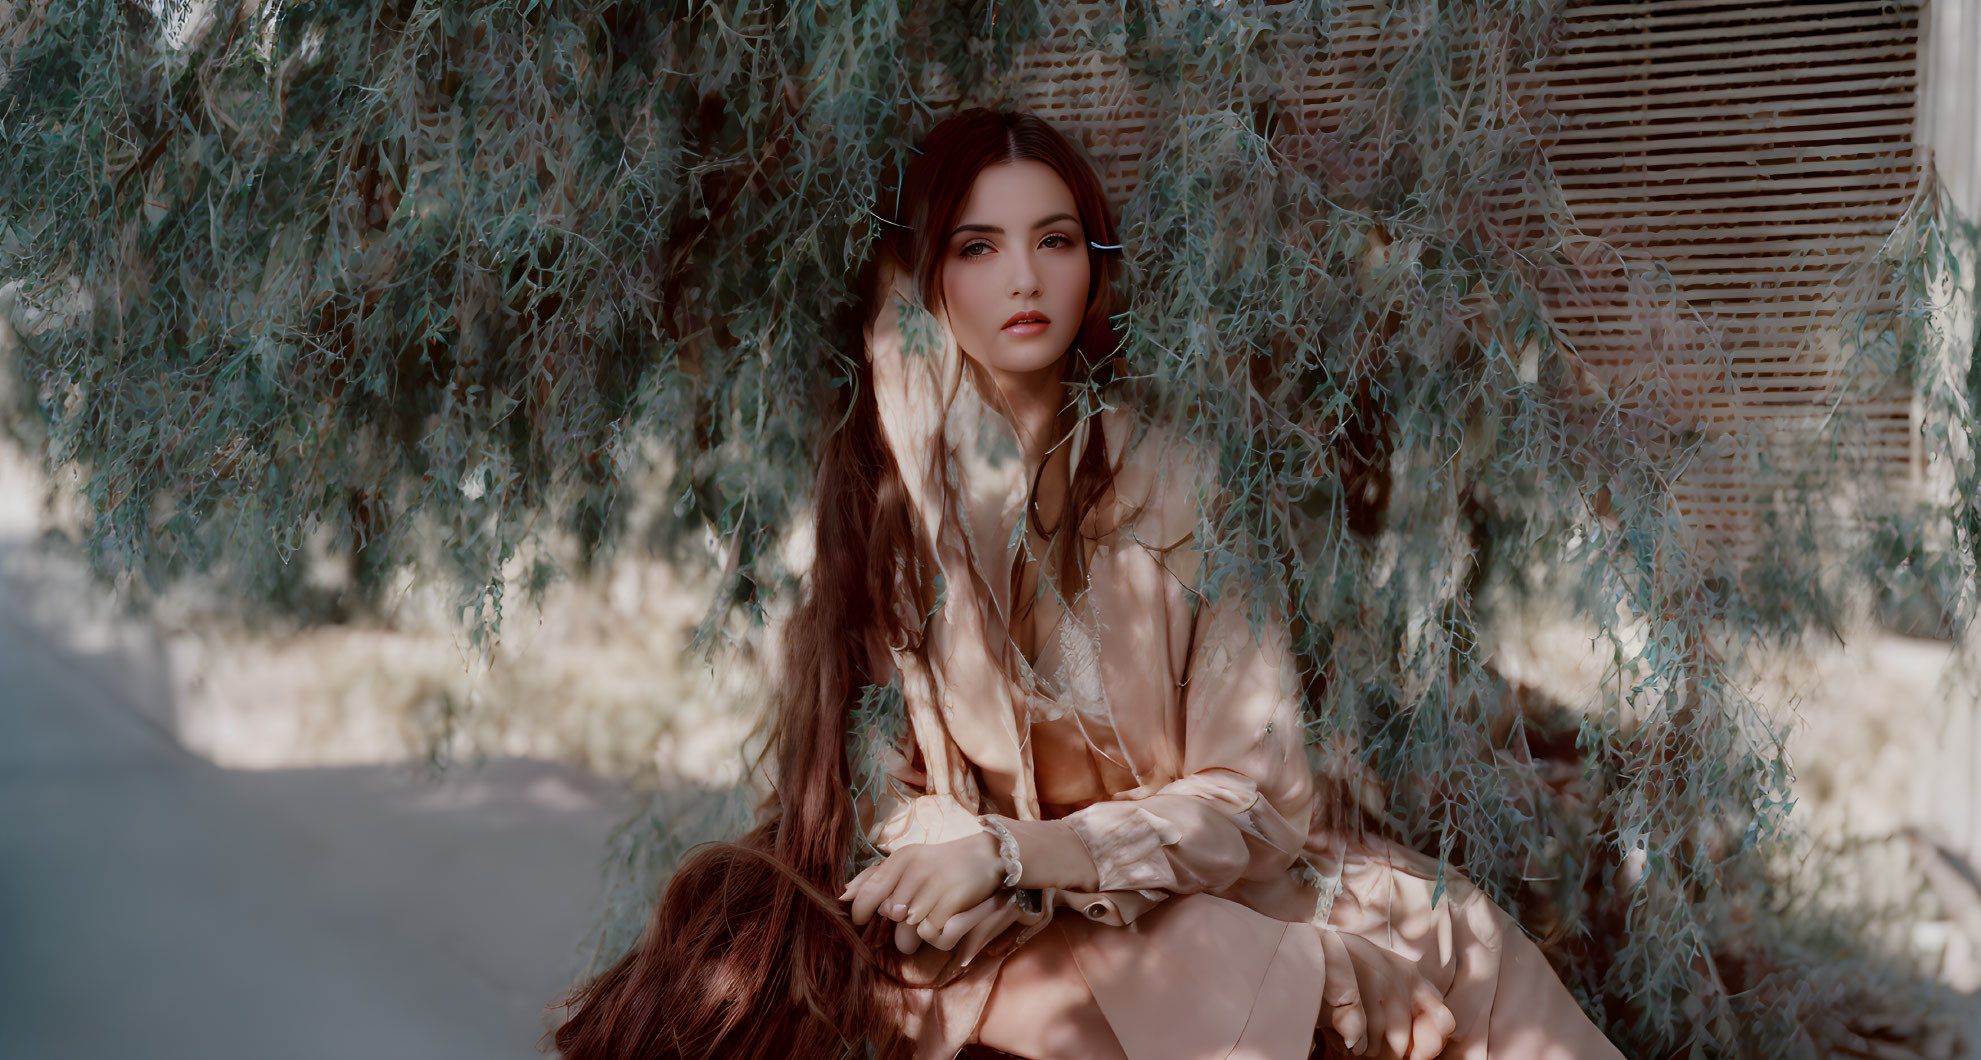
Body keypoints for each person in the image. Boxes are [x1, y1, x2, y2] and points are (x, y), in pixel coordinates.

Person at [550, 107, 1624, 1060]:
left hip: (1177, 880)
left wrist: (1026, 852)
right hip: (987, 928)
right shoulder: (882, 498)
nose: (1025, 277)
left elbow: (1257, 796)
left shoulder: (1183, 480)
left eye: (1053, 240)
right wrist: (963, 862)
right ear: (925, 279)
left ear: (1091, 263)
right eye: (978, 246)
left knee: (1449, 943)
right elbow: (878, 780)